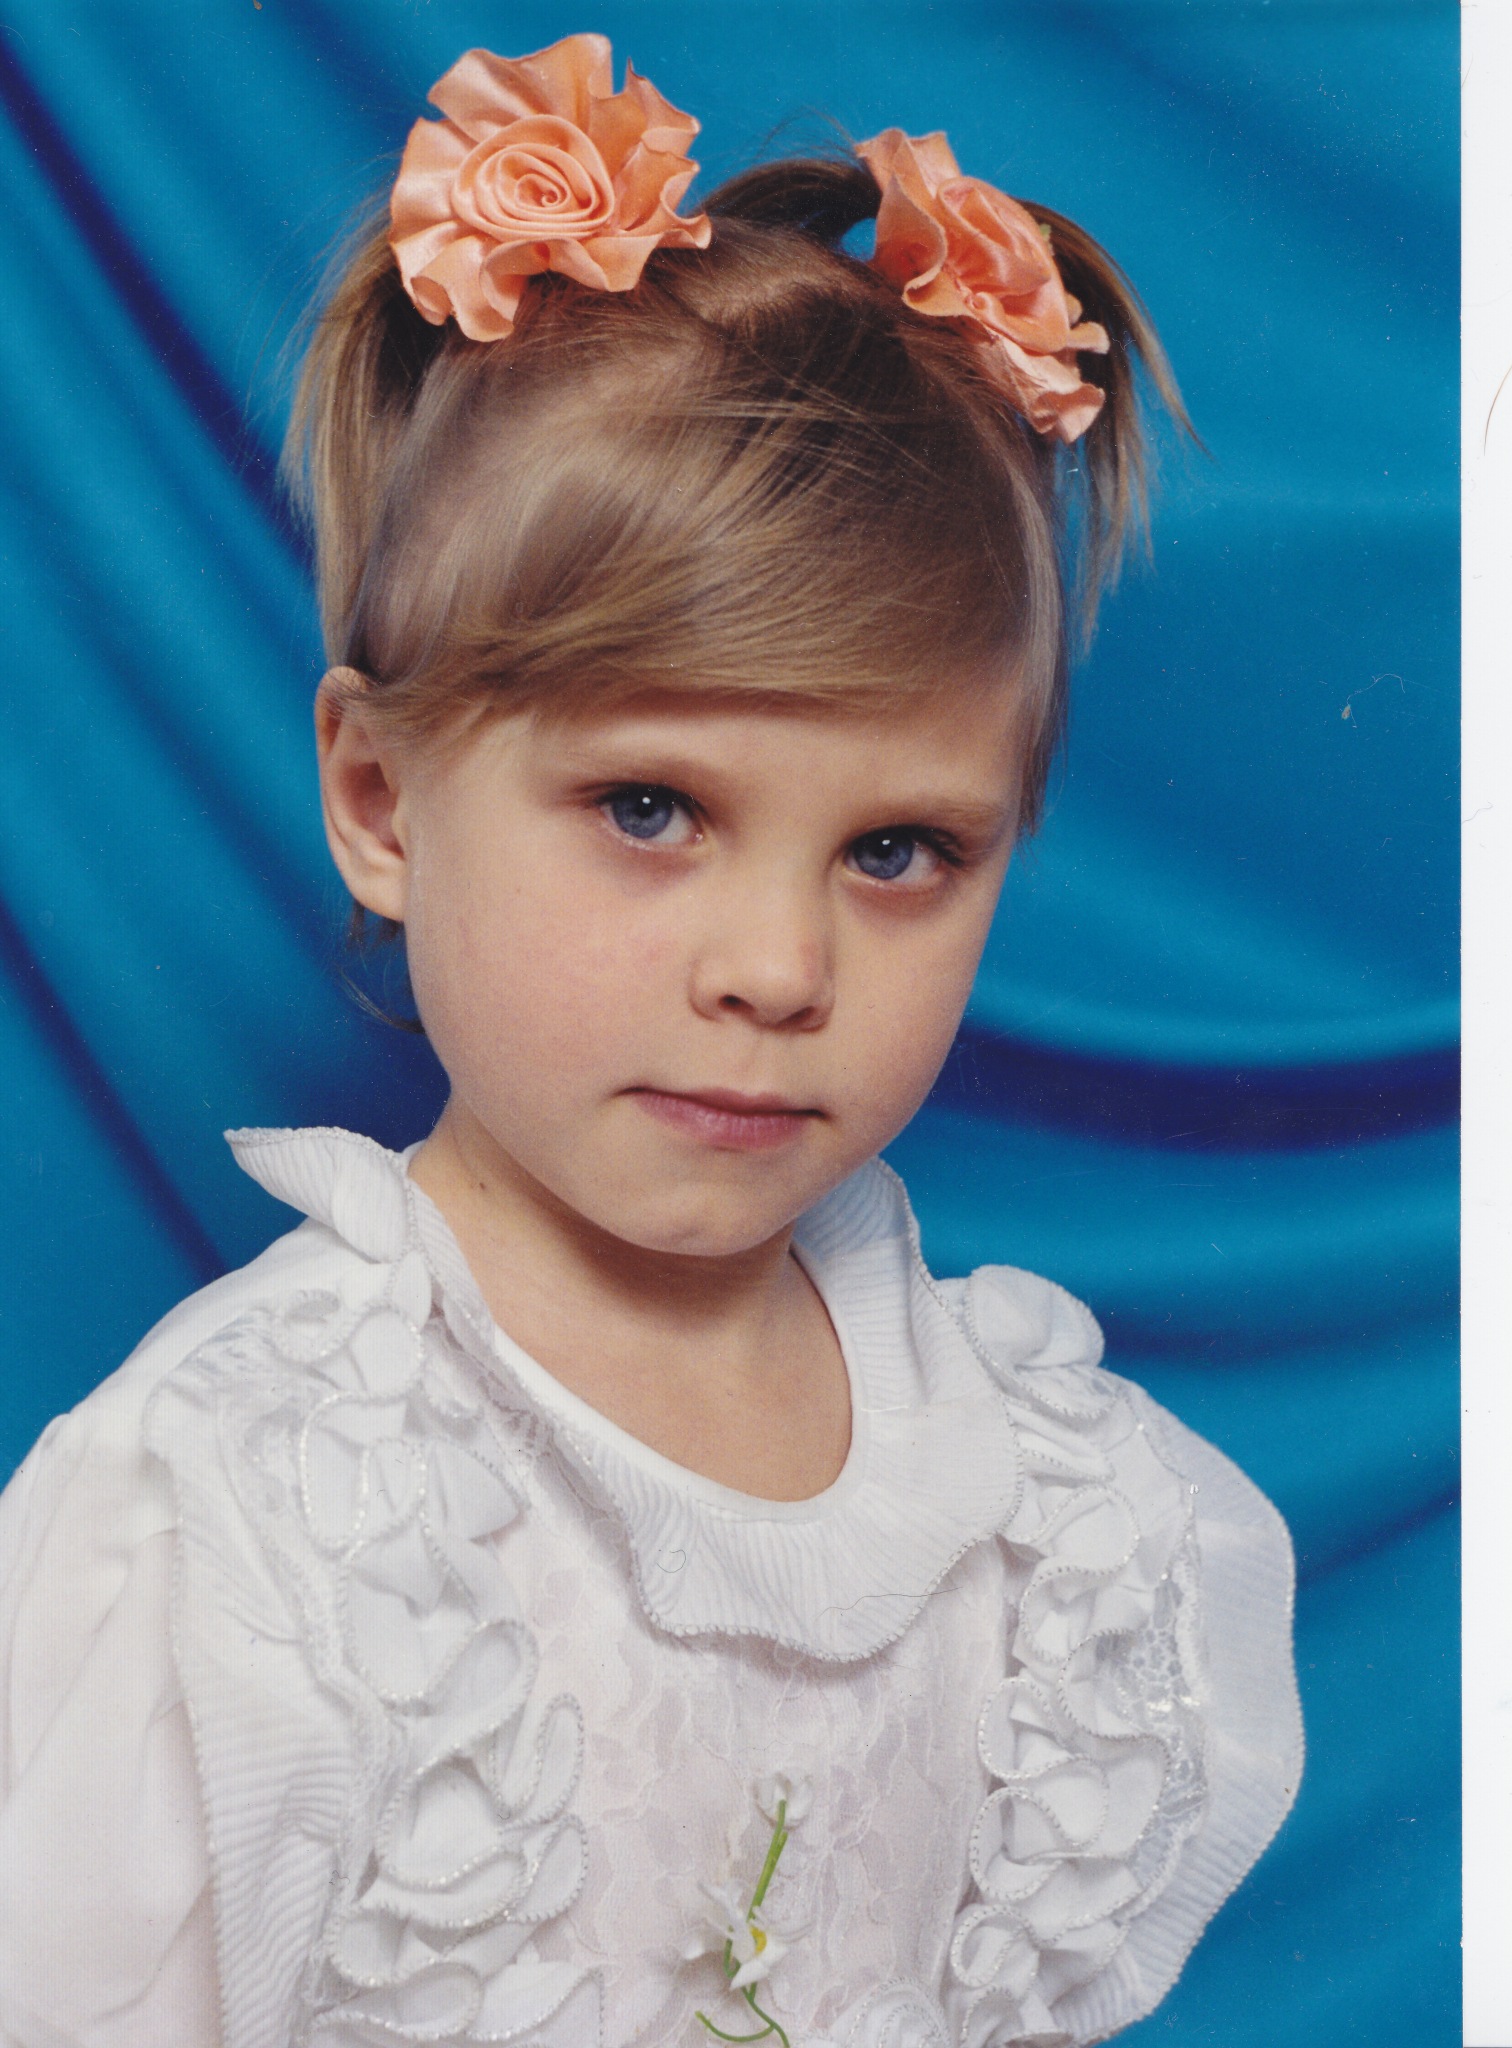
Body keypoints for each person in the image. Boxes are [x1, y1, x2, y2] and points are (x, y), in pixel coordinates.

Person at [0, 35, 1301, 2048]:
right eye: (649, 808)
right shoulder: (247, 1516)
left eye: (896, 850)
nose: (778, 968)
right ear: (380, 799)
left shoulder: (1050, 1511)